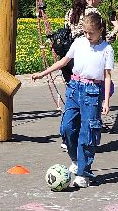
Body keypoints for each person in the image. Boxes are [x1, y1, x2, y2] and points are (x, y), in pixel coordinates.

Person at [32, 10, 112, 188]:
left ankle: (84, 173)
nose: (88, 36)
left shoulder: (106, 49)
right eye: (85, 32)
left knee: (88, 132)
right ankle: (76, 160)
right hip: (74, 88)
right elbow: (62, 62)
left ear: (100, 30)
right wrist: (42, 74)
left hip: (92, 90)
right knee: (67, 127)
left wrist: (106, 101)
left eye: (91, 33)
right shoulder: (78, 42)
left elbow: (107, 76)